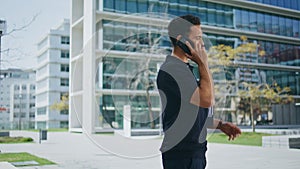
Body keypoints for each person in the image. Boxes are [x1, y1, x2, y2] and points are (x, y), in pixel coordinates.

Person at [156, 15, 242, 169]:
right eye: (198, 38)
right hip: (181, 156)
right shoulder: (172, 70)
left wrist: (220, 125)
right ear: (182, 40)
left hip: (193, 153)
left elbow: (189, 115)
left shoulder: (184, 70)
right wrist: (203, 63)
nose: (202, 43)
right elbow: (206, 100)